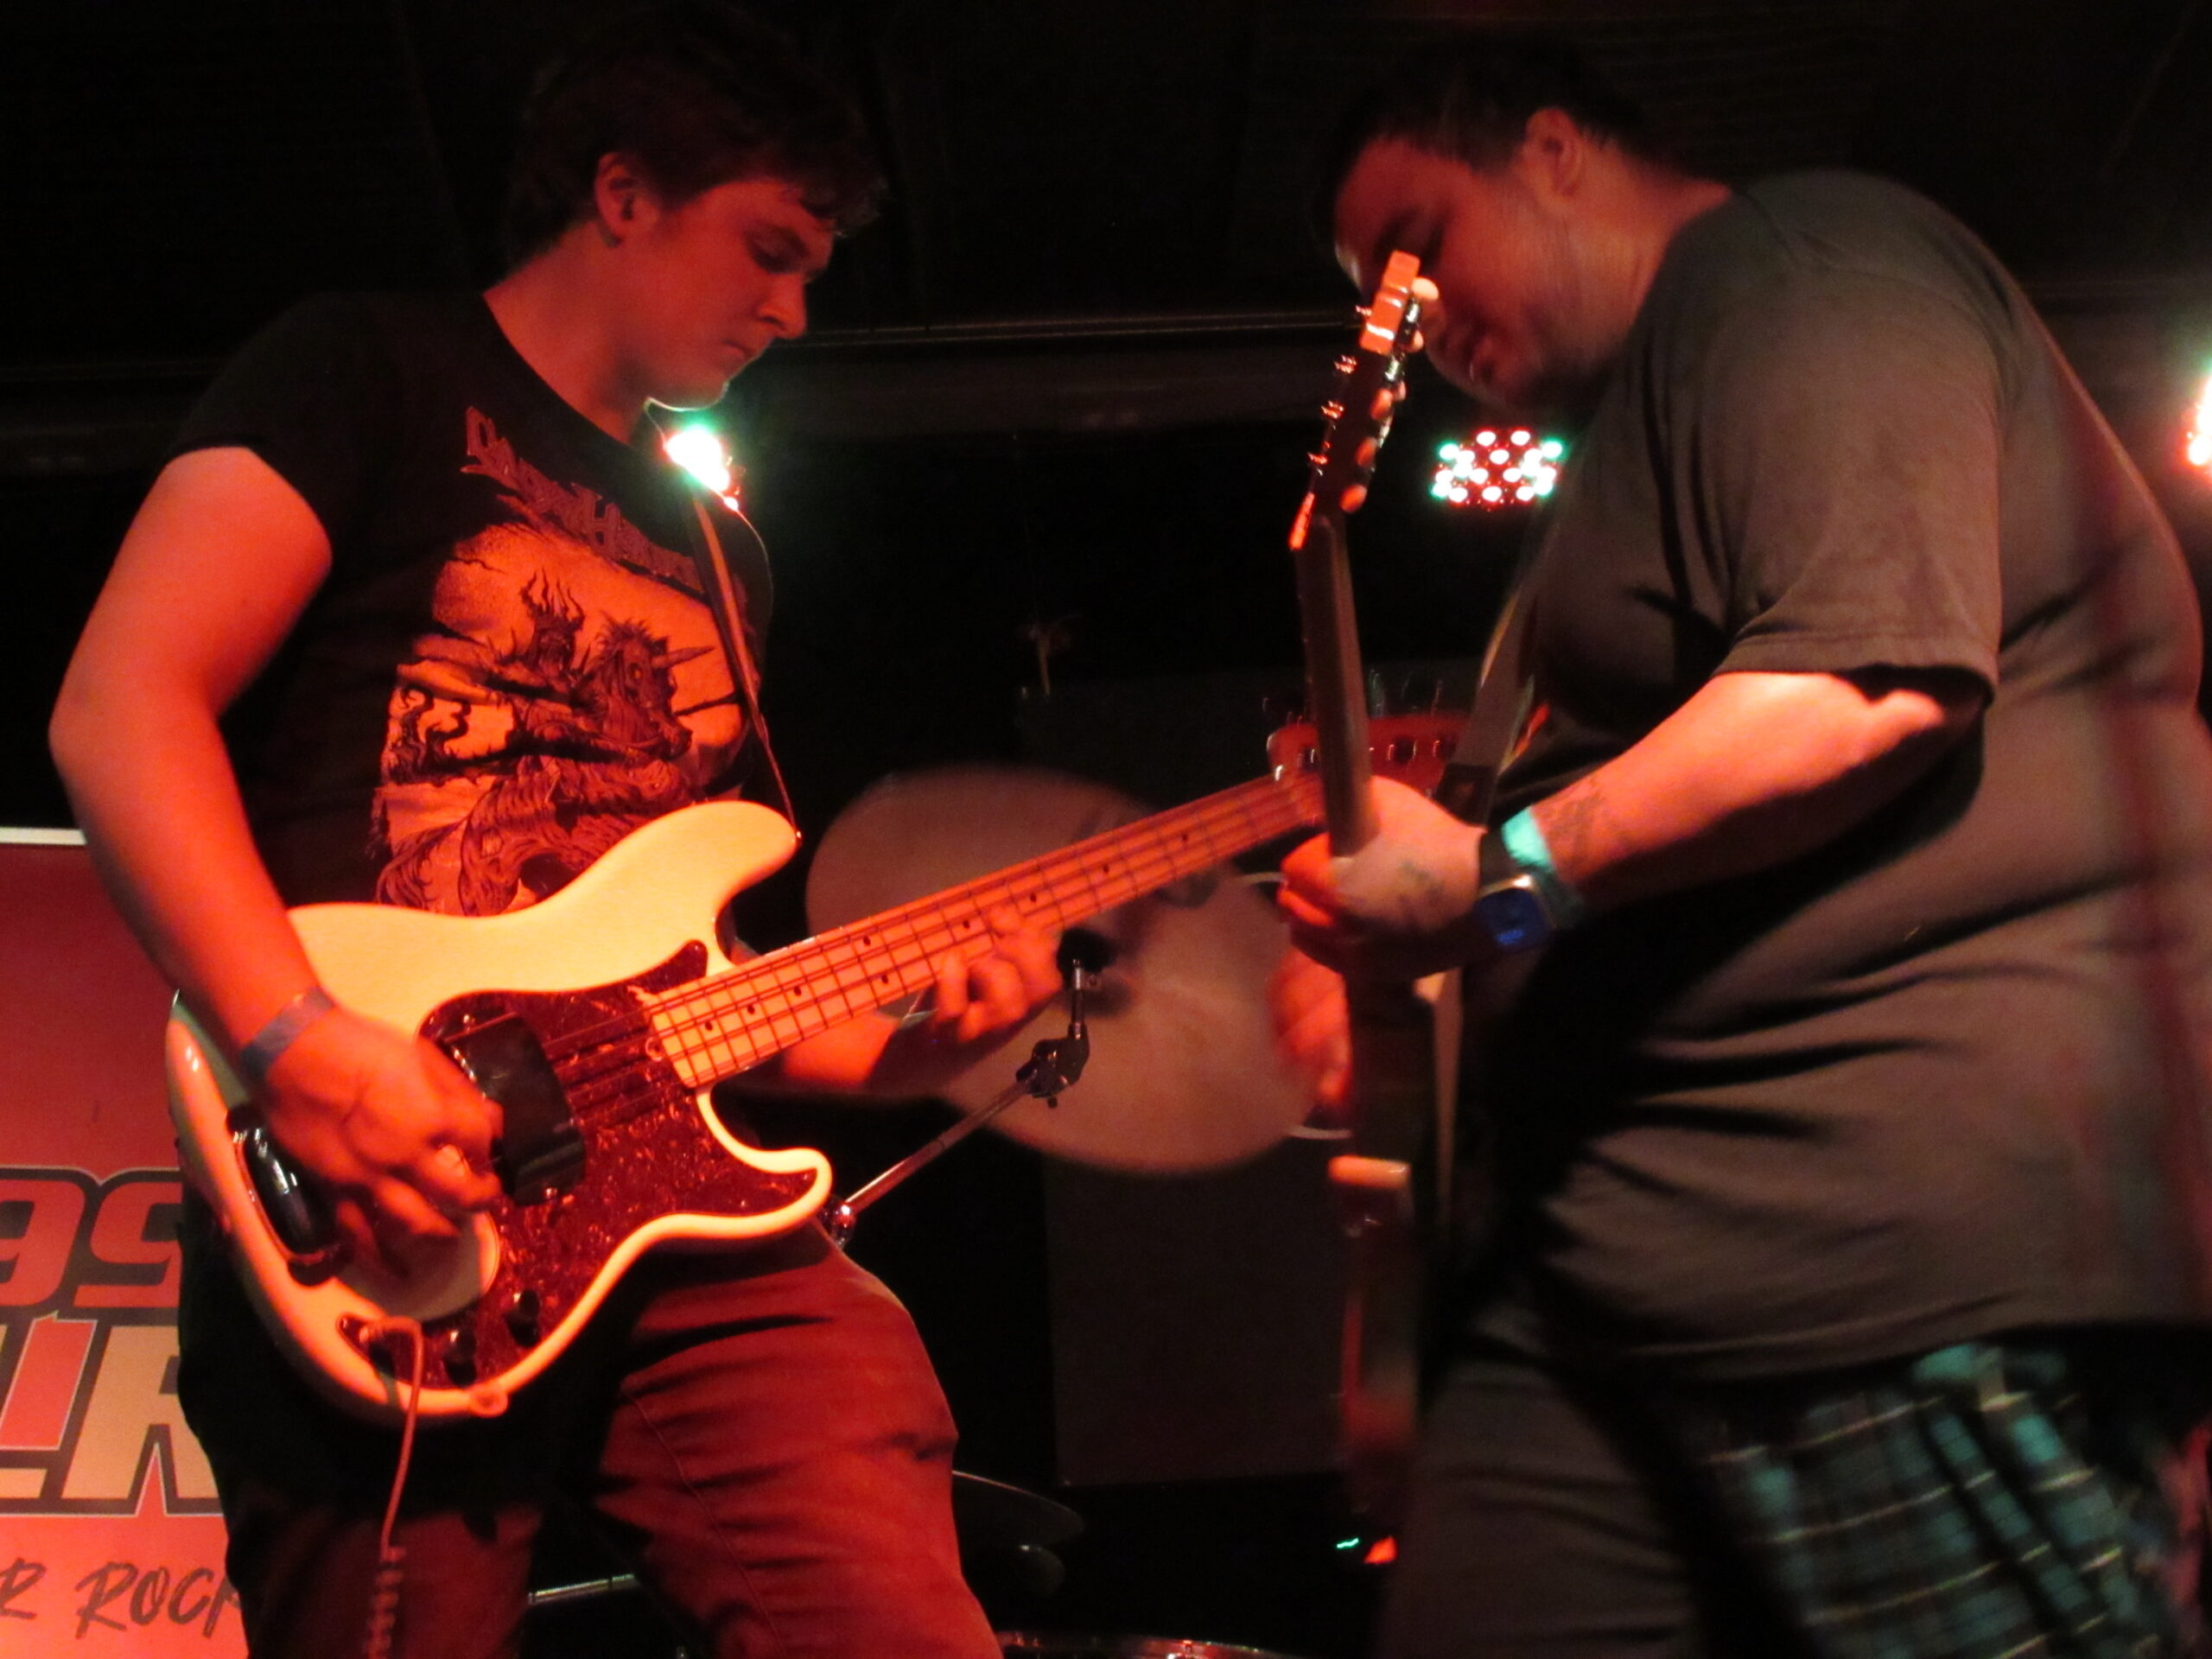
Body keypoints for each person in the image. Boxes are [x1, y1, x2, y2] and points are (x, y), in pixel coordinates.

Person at [48, 7, 1063, 1656]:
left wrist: (913, 1053)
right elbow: (121, 703)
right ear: (622, 193)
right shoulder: (363, 368)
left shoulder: (724, 561)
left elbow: (689, 986)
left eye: (814, 272)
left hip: (684, 1219)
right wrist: (292, 1042)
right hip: (388, 1187)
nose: (795, 312)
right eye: (771, 250)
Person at [1274, 35, 2212, 1659]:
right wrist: (1419, 1000)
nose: (1415, 328)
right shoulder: (1622, 467)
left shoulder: (1802, 262)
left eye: (1418, 251)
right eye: (1374, 298)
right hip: (1604, 1285)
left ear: (1552, 149)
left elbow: (1864, 688)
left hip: (1868, 1260)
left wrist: (1489, 888)